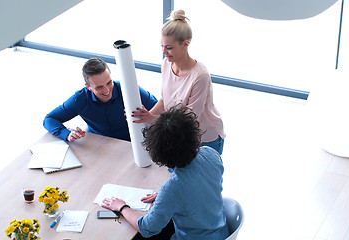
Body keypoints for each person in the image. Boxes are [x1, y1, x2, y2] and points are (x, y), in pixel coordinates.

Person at [102, 104, 229, 240]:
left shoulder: (173, 188)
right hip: (221, 232)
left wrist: (122, 207)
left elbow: (146, 228)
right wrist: (170, 198)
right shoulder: (212, 154)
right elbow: (204, 186)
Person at [131, 9, 226, 154]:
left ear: (185, 44)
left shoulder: (200, 76)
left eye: (169, 48)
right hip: (178, 131)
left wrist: (153, 119)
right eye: (162, 46)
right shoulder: (166, 64)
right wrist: (144, 117)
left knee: (204, 176)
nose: (164, 52)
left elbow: (188, 119)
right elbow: (164, 100)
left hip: (205, 137)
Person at [43, 58, 158, 142]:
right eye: (99, 87)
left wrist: (149, 117)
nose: (107, 90)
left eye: (109, 83)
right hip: (100, 145)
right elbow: (49, 119)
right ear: (88, 87)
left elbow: (161, 109)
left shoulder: (129, 89)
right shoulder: (79, 99)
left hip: (133, 143)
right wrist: (67, 134)